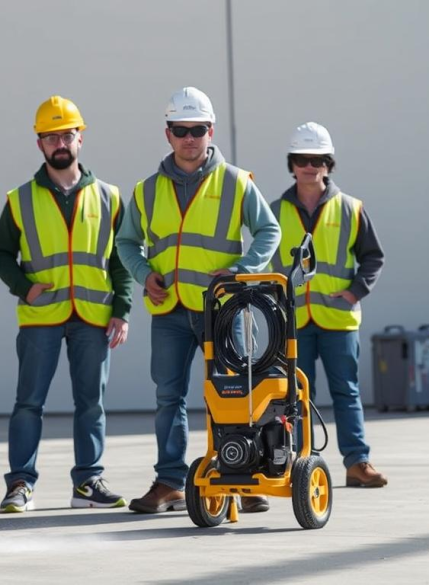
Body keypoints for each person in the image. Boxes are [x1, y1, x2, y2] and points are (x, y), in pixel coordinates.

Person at [116, 87, 281, 514]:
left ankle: (246, 477)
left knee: (238, 391)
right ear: (167, 134)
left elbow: (269, 231)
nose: (190, 138)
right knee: (168, 397)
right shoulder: (147, 190)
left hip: (223, 310)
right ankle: (170, 480)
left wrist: (242, 271)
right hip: (169, 311)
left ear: (211, 131)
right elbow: (127, 242)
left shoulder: (236, 182)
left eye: (197, 130)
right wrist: (142, 273)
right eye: (180, 130)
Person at [0, 96, 132, 512]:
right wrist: (24, 287)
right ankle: (20, 483)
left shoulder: (109, 196)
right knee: (28, 403)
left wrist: (122, 310)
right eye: (51, 135)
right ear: (39, 143)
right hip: (42, 315)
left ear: (80, 138)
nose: (60, 142)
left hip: (94, 316)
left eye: (67, 134)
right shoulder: (19, 200)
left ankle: (87, 483)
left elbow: (121, 257)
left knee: (92, 403)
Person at [269, 122, 387, 488]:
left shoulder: (351, 208)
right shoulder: (273, 210)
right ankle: (301, 462)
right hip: (293, 320)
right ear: (292, 163)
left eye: (317, 159)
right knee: (297, 397)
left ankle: (357, 463)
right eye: (303, 159)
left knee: (346, 393)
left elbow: (373, 257)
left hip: (338, 319)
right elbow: (263, 260)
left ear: (328, 164)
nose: (309, 166)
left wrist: (355, 291)